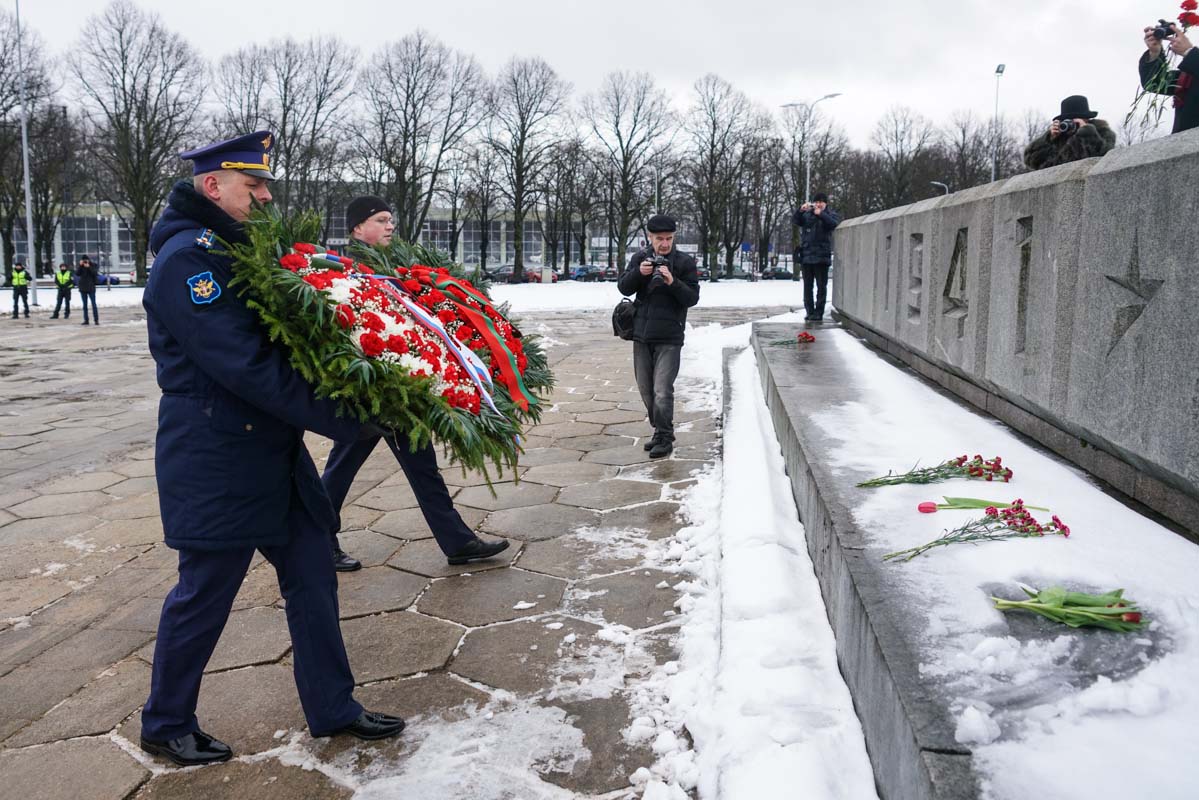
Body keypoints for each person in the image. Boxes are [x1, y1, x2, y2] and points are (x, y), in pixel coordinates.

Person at [139, 132, 405, 767]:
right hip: (218, 456)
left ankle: (333, 706)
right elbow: (247, 365)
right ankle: (166, 719)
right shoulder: (188, 261)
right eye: (252, 186)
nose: (264, 196)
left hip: (271, 452)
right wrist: (343, 416)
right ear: (213, 186)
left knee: (313, 575)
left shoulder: (234, 248)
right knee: (205, 592)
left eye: (264, 185)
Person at [321, 195, 510, 571]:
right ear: (358, 229)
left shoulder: (393, 264)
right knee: (342, 467)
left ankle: (457, 542)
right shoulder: (345, 270)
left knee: (421, 467)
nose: (390, 225)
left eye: (391, 219)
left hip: (403, 388)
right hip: (370, 391)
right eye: (381, 219)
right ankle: (317, 541)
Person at [617, 213, 700, 459]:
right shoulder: (640, 259)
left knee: (663, 390)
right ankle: (659, 430)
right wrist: (638, 274)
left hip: (670, 336)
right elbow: (623, 287)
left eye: (669, 238)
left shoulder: (684, 262)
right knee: (646, 390)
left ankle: (665, 436)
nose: (664, 243)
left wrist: (672, 281)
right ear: (649, 238)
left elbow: (692, 298)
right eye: (659, 239)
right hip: (642, 335)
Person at [1023, 96, 1117, 171]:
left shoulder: (1101, 132)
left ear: (1086, 119)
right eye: (1067, 120)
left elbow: (1105, 157)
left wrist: (1087, 132)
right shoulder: (1060, 136)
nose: (1071, 123)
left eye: (1075, 119)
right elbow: (1031, 160)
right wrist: (1048, 139)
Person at [1139, 22, 1199, 134]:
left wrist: (1189, 52)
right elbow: (1153, 83)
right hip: (1184, 145)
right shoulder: (1191, 76)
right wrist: (1155, 52)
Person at [792, 193, 842, 322]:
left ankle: (819, 312)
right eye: (817, 202)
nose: (819, 204)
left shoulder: (830, 214)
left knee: (821, 286)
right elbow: (796, 221)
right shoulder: (808, 215)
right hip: (807, 256)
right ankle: (809, 311)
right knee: (807, 287)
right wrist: (800, 210)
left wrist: (821, 214)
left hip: (821, 257)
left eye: (821, 202)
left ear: (825, 204)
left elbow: (833, 224)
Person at [76, 255, 99, 326]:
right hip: (83, 288)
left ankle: (96, 320)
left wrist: (88, 267)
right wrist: (80, 266)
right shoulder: (81, 267)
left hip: (91, 287)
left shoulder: (93, 265)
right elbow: (77, 273)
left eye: (86, 260)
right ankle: (86, 320)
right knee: (84, 305)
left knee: (93, 304)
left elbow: (94, 273)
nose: (85, 262)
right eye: (84, 260)